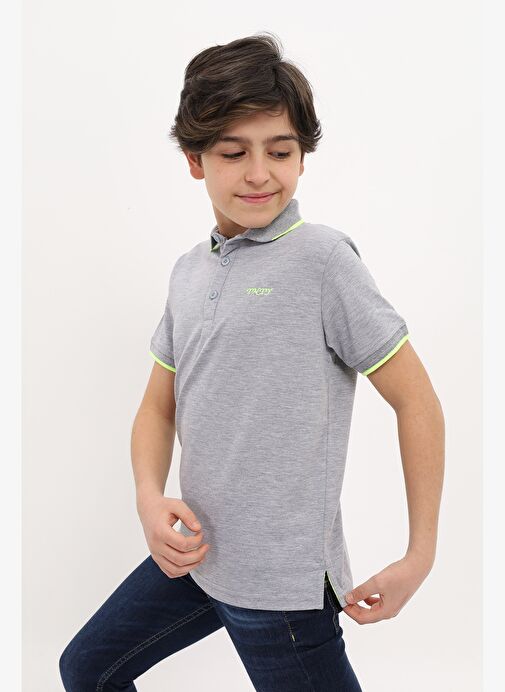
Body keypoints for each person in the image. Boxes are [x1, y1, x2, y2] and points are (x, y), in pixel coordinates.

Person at [59, 32, 445, 691]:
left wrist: (420, 554)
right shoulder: (188, 273)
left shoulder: (322, 261)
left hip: (280, 589)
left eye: (280, 151)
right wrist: (149, 499)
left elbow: (417, 401)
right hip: (197, 561)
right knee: (87, 668)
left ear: (302, 157)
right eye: (234, 152)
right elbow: (156, 407)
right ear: (195, 160)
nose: (260, 173)